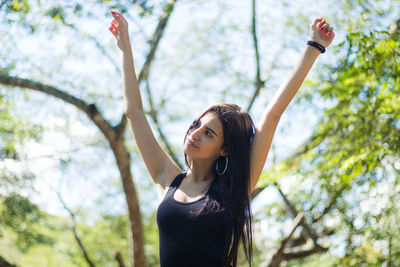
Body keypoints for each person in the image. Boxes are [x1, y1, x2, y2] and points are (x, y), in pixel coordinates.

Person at [108, 10, 335, 267]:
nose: (194, 134)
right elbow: (134, 113)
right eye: (196, 125)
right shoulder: (167, 179)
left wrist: (314, 46)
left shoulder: (233, 189)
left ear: (224, 148)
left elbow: (272, 116)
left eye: (208, 133)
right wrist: (125, 47)